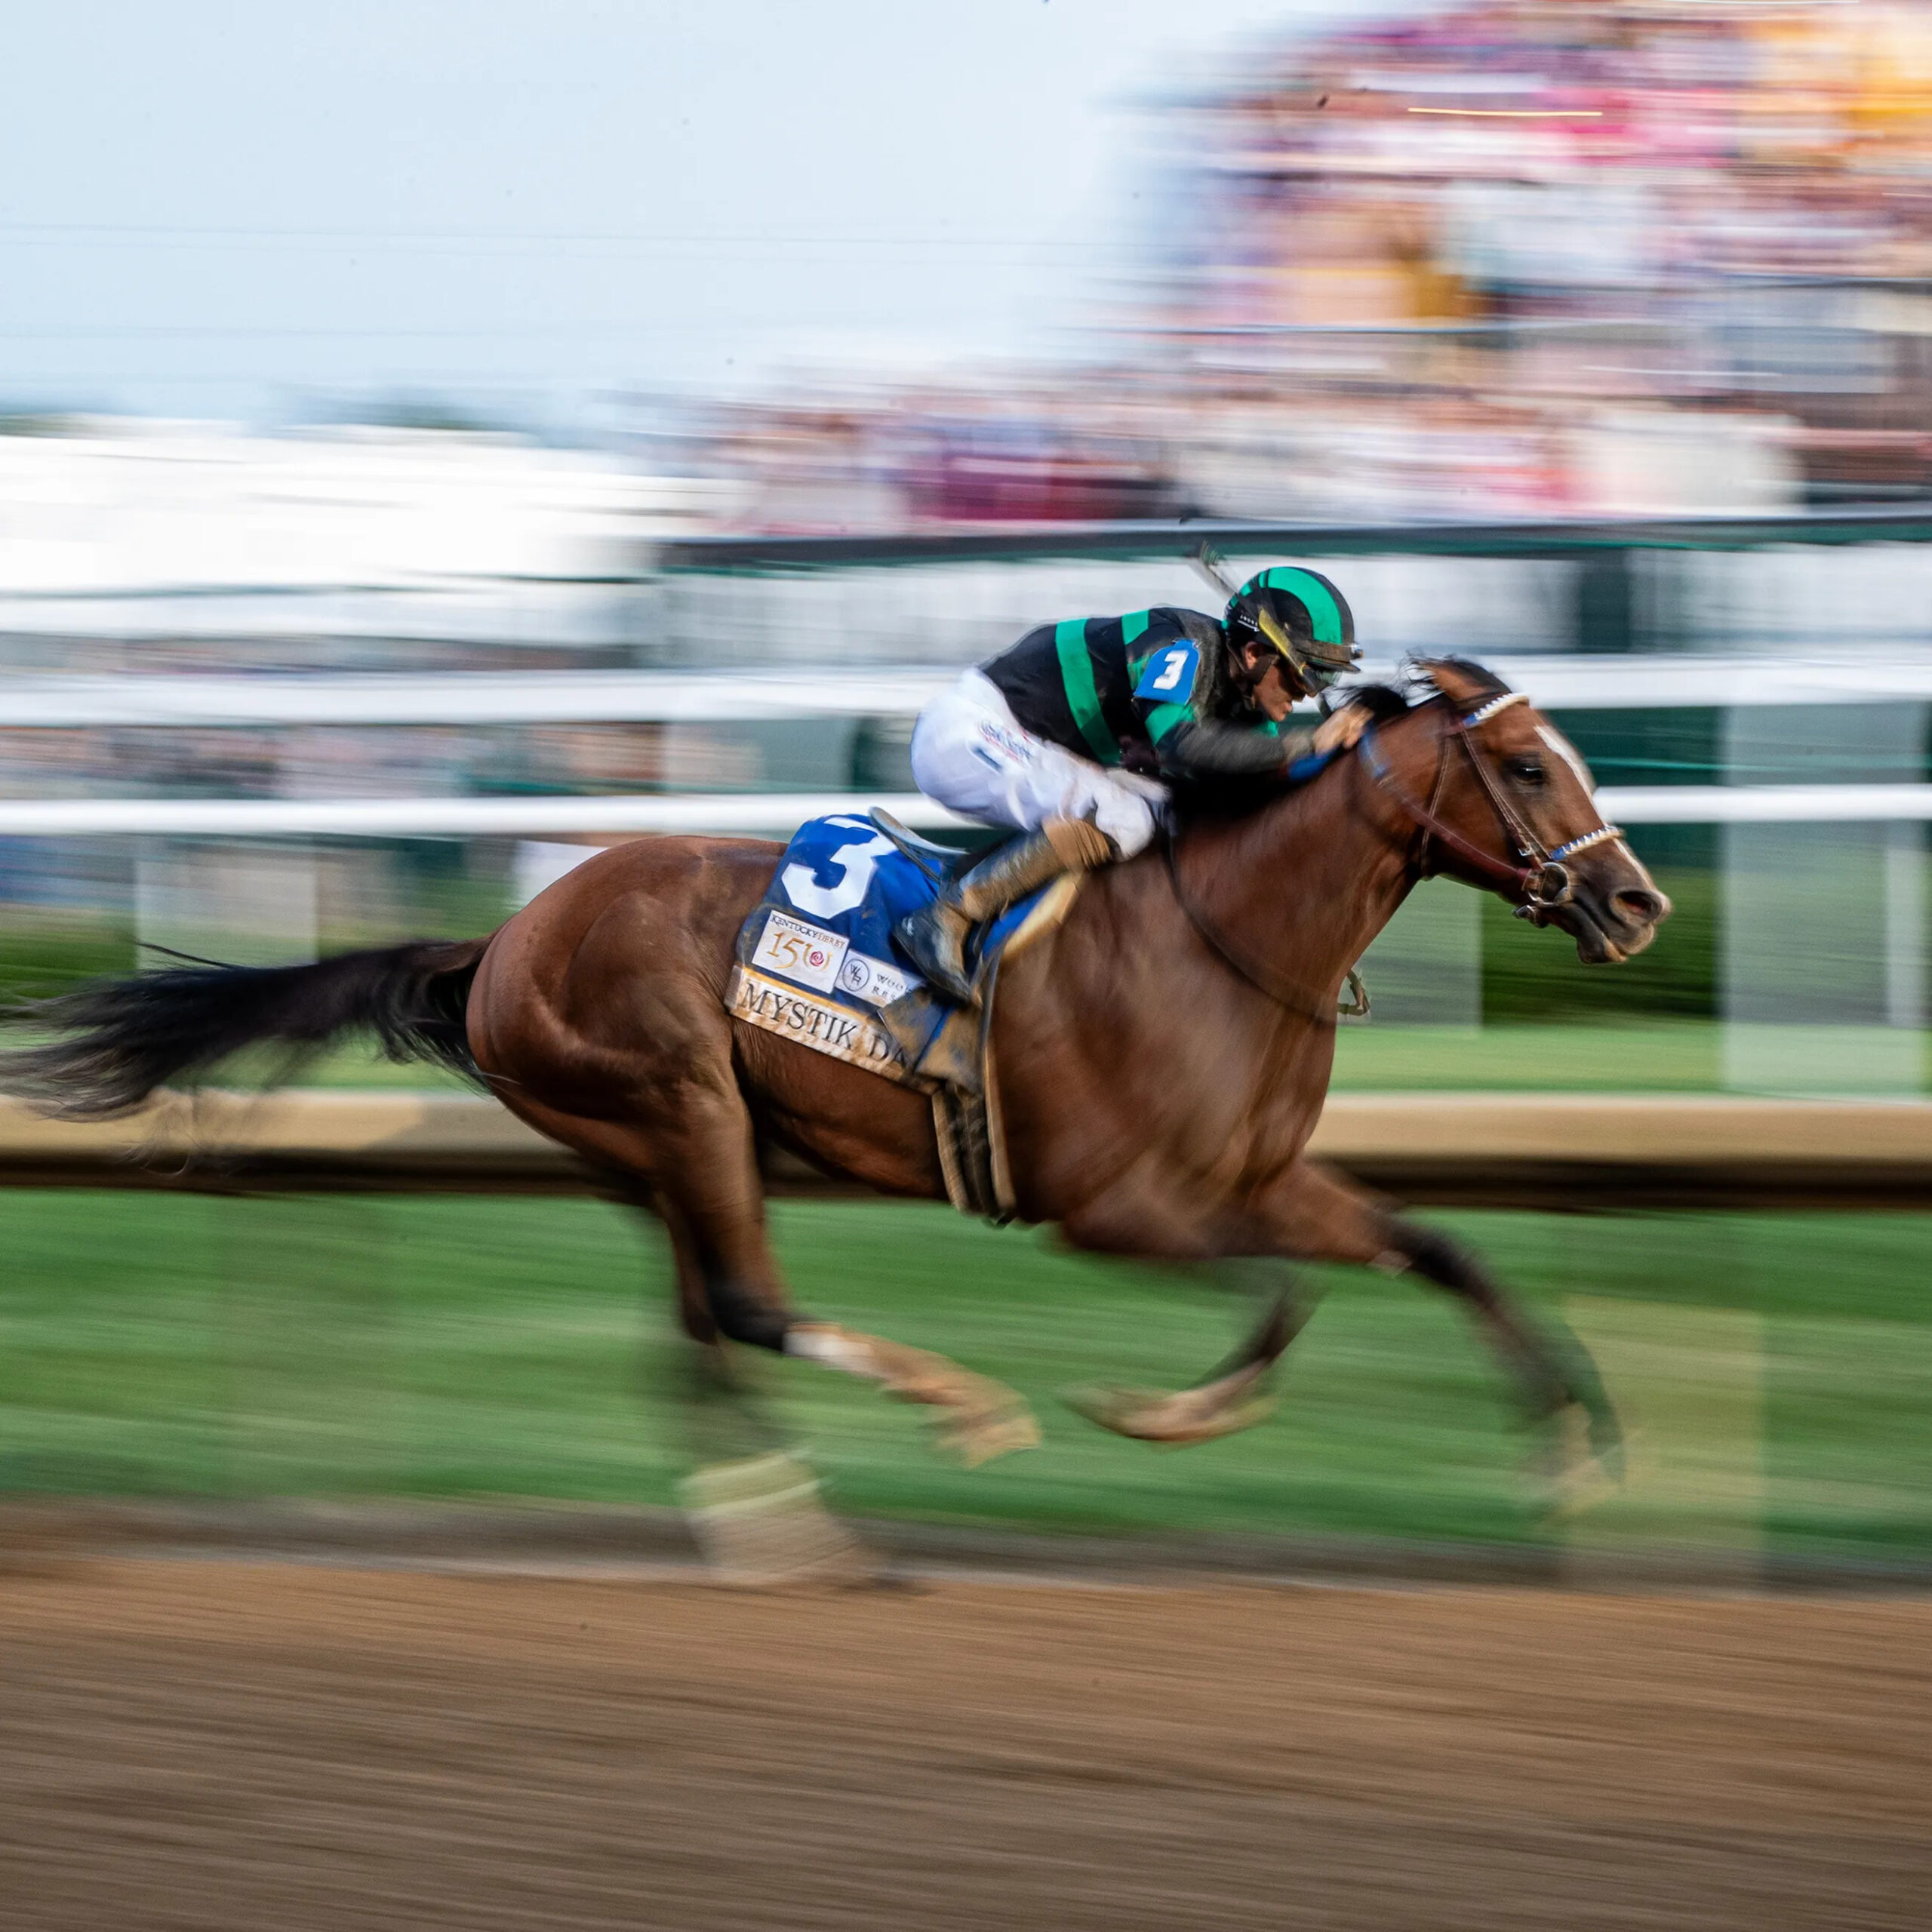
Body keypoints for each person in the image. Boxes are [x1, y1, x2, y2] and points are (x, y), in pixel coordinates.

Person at [894, 565, 1368, 1003]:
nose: (1306, 696)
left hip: (1037, 747)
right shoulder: (1180, 644)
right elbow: (1181, 745)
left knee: (1171, 816)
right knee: (1125, 818)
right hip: (969, 731)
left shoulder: (1246, 707)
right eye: (1303, 678)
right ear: (1252, 652)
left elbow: (1262, 800)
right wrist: (1308, 744)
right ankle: (947, 916)